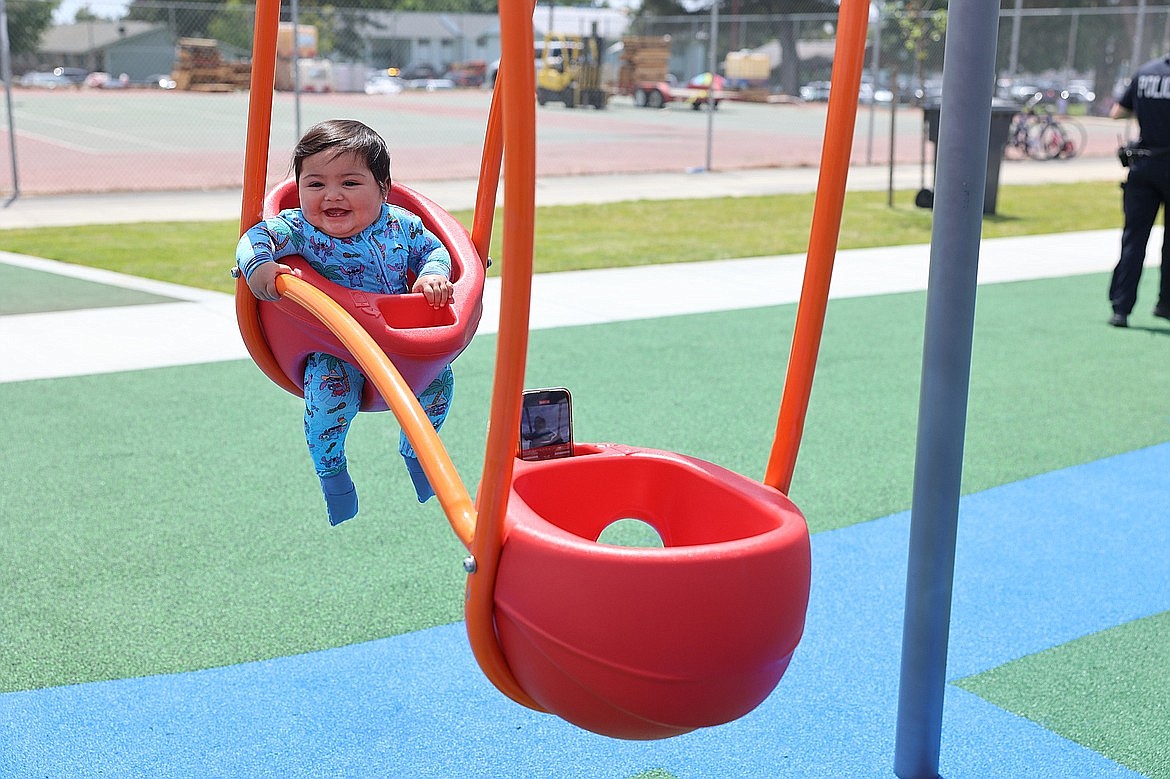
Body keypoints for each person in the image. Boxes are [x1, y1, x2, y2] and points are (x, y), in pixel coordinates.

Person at [236, 119, 455, 525]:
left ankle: (418, 454)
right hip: (334, 347)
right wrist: (259, 267)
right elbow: (253, 238)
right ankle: (333, 473)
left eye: (350, 183)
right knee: (329, 397)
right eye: (315, 185)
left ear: (383, 189)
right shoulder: (300, 230)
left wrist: (431, 274)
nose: (331, 196)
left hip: (395, 345)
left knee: (440, 382)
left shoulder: (401, 225)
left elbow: (435, 249)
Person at [1108, 56, 1170, 328]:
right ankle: (1165, 303)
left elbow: (1117, 112)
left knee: (1133, 239)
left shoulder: (1145, 72)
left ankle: (1121, 308)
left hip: (1143, 165)